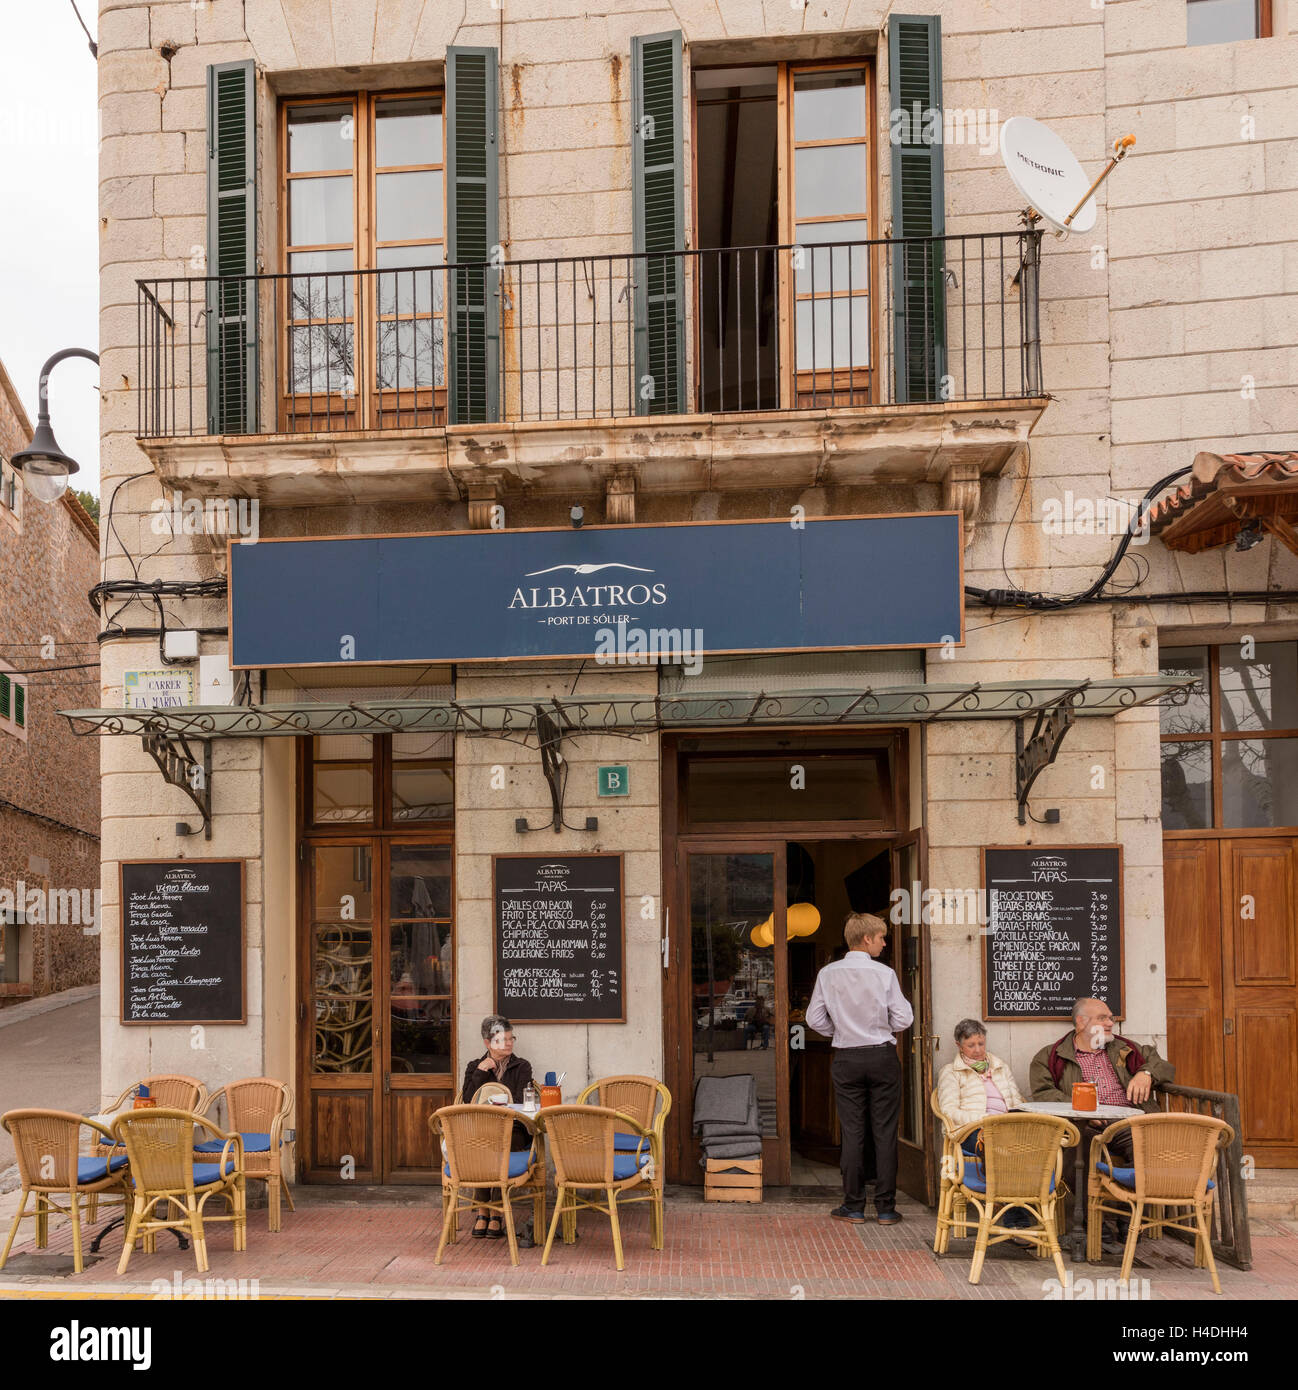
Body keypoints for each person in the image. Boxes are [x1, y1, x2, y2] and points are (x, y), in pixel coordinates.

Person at [806, 912, 913, 1226]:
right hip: (881, 1056)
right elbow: (904, 1019)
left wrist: (839, 1030)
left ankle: (853, 1206)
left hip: (847, 1057)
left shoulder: (828, 973)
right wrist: (881, 1027)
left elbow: (814, 1019)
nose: (883, 943)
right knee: (885, 1132)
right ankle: (885, 1208)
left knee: (852, 1133)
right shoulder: (884, 974)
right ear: (866, 939)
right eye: (881, 937)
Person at [1029, 997, 1174, 1168]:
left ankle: (1119, 1185)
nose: (1110, 1023)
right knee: (1079, 1150)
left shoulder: (1126, 1048)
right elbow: (1043, 1093)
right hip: (1083, 1125)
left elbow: (1165, 1067)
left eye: (1110, 1018)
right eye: (1102, 1018)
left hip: (1127, 1121)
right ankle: (1104, 1187)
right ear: (1081, 1022)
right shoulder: (1050, 1056)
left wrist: (1146, 1073)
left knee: (1150, 1149)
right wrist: (1081, 1110)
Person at [937, 1018, 1032, 1233]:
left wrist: (1017, 1117)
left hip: (1007, 1126)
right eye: (971, 1045)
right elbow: (949, 1111)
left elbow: (1016, 1100)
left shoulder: (999, 1066)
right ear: (959, 1045)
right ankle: (1016, 1218)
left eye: (981, 1044)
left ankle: (1035, 1202)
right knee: (1000, 1148)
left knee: (1037, 1142)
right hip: (973, 1130)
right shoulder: (951, 1072)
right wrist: (983, 1118)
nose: (978, 1050)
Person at [459, 1014, 534, 1240]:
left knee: (497, 1144)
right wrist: (482, 1071)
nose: (509, 1043)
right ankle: (485, 1211)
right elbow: (468, 1099)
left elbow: (522, 1101)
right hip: (481, 1130)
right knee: (483, 1144)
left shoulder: (522, 1066)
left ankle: (493, 1210)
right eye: (503, 1040)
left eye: (511, 1039)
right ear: (487, 1043)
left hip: (514, 1130)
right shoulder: (475, 1066)